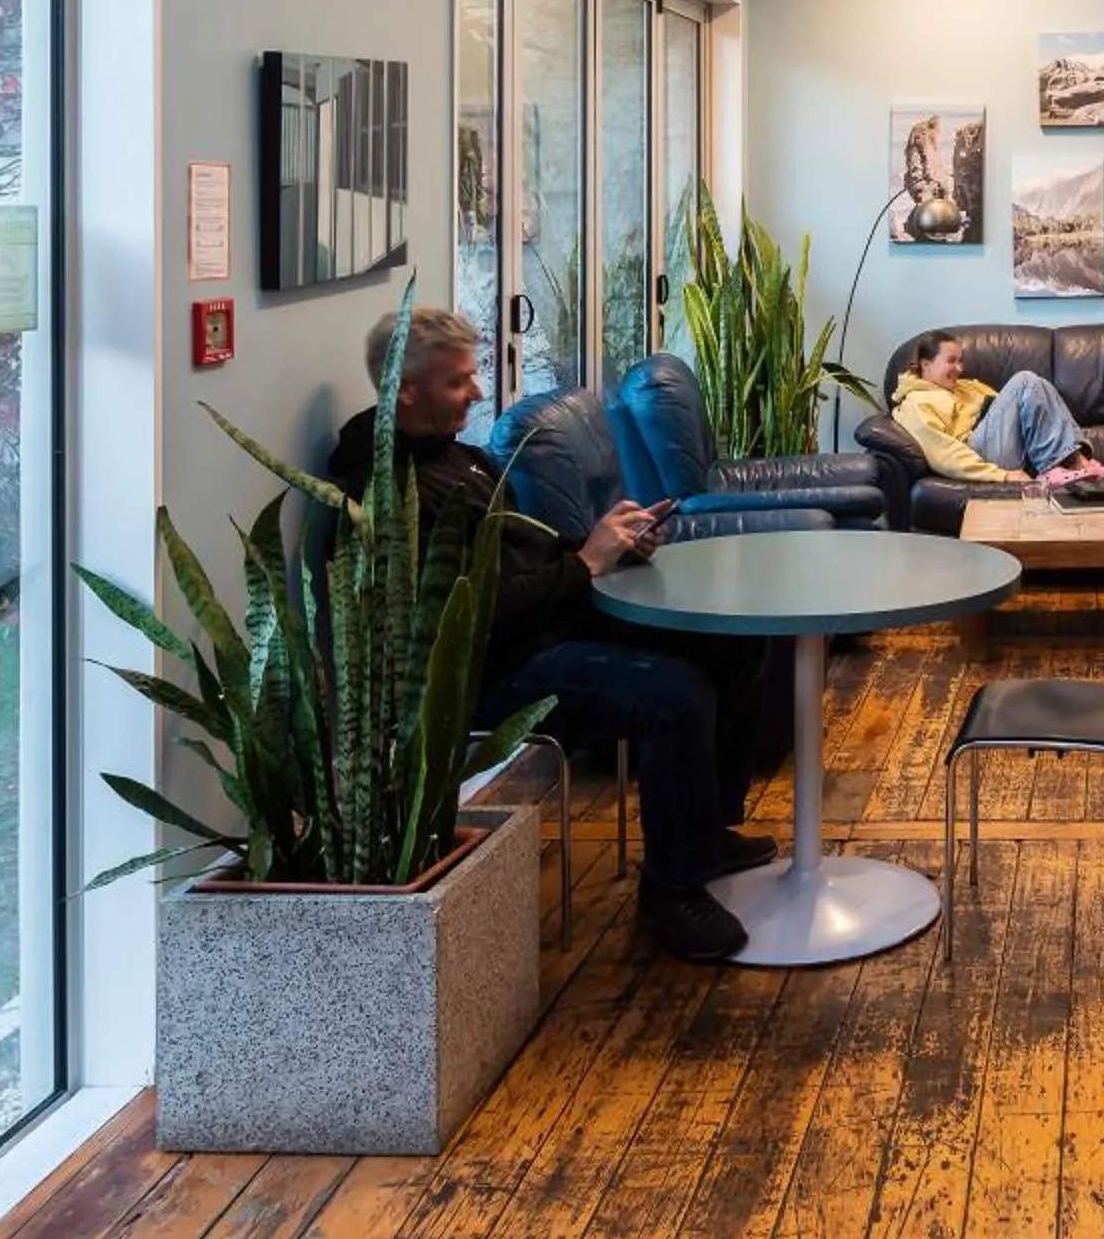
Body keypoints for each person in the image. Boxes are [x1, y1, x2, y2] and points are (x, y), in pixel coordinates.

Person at [326, 307, 772, 963]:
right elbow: (476, 614)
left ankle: (704, 828)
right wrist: (586, 563)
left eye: (473, 376)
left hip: (545, 622)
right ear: (407, 390)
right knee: (674, 695)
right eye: (459, 383)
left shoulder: (458, 457)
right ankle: (672, 891)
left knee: (736, 640)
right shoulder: (392, 492)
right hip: (495, 670)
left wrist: (608, 544)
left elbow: (522, 551)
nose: (478, 393)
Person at [888, 330, 1104, 484]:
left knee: (1039, 385)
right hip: (981, 451)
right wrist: (1002, 476)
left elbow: (1013, 410)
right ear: (926, 364)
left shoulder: (962, 387)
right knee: (1025, 380)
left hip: (1004, 443)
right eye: (951, 361)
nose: (959, 368)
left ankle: (1079, 463)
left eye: (961, 360)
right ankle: (1057, 468)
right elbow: (944, 454)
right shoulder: (915, 403)